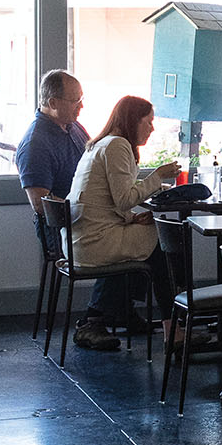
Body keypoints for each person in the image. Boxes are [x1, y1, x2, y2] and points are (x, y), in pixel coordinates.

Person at [15, 69, 122, 351]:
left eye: (81, 99)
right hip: (59, 229)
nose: (81, 106)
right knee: (122, 244)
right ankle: (93, 321)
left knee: (141, 234)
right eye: (75, 100)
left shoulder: (74, 129)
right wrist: (91, 211)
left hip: (84, 219)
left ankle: (119, 311)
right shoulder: (35, 143)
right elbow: (41, 204)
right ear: (52, 102)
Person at [66, 95, 180, 351]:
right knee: (166, 245)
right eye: (148, 122)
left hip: (83, 237)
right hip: (94, 241)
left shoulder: (101, 144)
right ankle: (173, 328)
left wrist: (130, 219)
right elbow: (124, 199)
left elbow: (104, 200)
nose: (152, 128)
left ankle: (116, 313)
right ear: (133, 120)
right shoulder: (117, 145)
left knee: (145, 240)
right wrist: (157, 176)